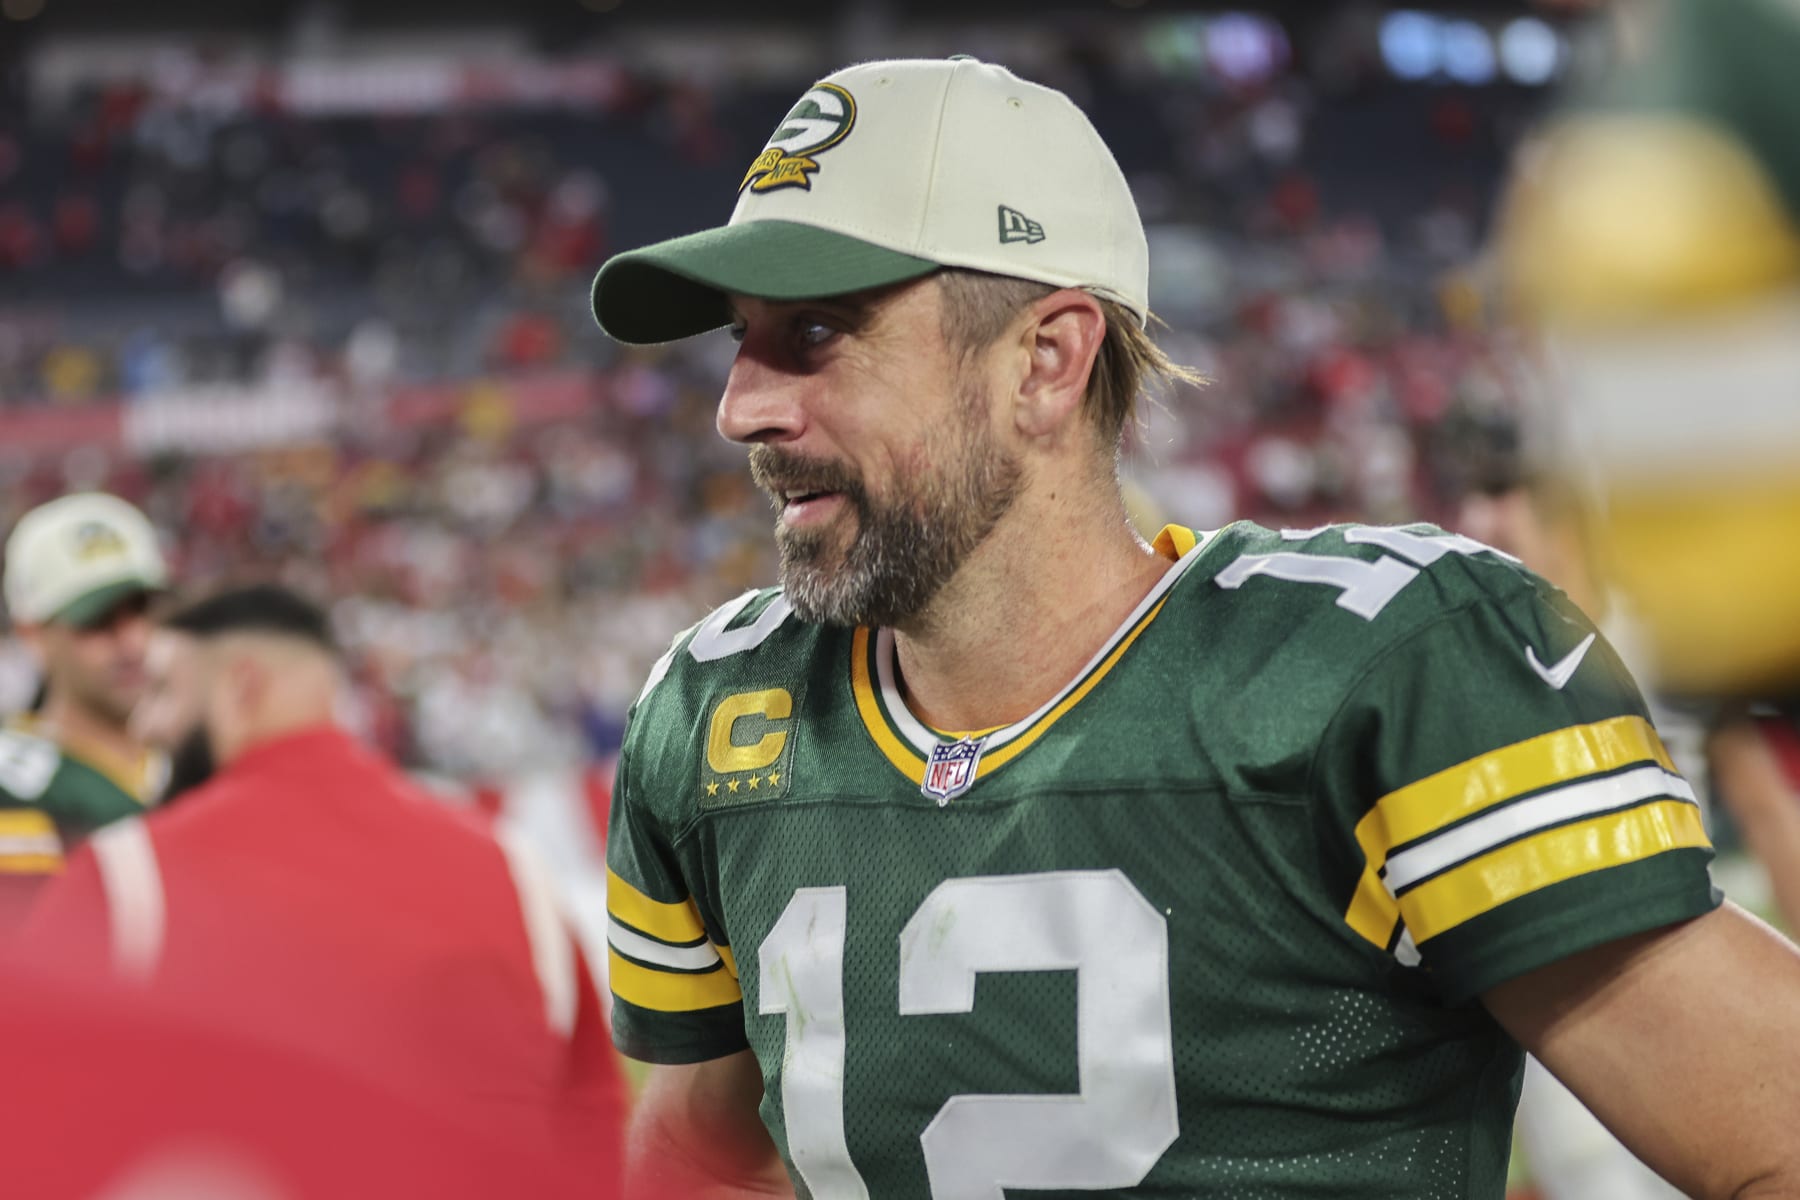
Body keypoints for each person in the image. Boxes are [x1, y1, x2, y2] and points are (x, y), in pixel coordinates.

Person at [589, 56, 1800, 1199]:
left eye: (814, 334)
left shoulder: (1373, 673)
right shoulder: (716, 719)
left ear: (1047, 361)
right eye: (738, 340)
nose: (741, 406)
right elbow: (699, 1157)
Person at [22, 583, 624, 1192]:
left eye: (163, 692)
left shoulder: (129, 878)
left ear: (241, 687)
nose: (146, 724)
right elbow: (594, 1146)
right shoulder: (514, 867)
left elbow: (29, 1136)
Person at [0, 492, 168, 932]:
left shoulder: (194, 752)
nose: (132, 643)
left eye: (140, 611)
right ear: (34, 635)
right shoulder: (16, 785)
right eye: (98, 622)